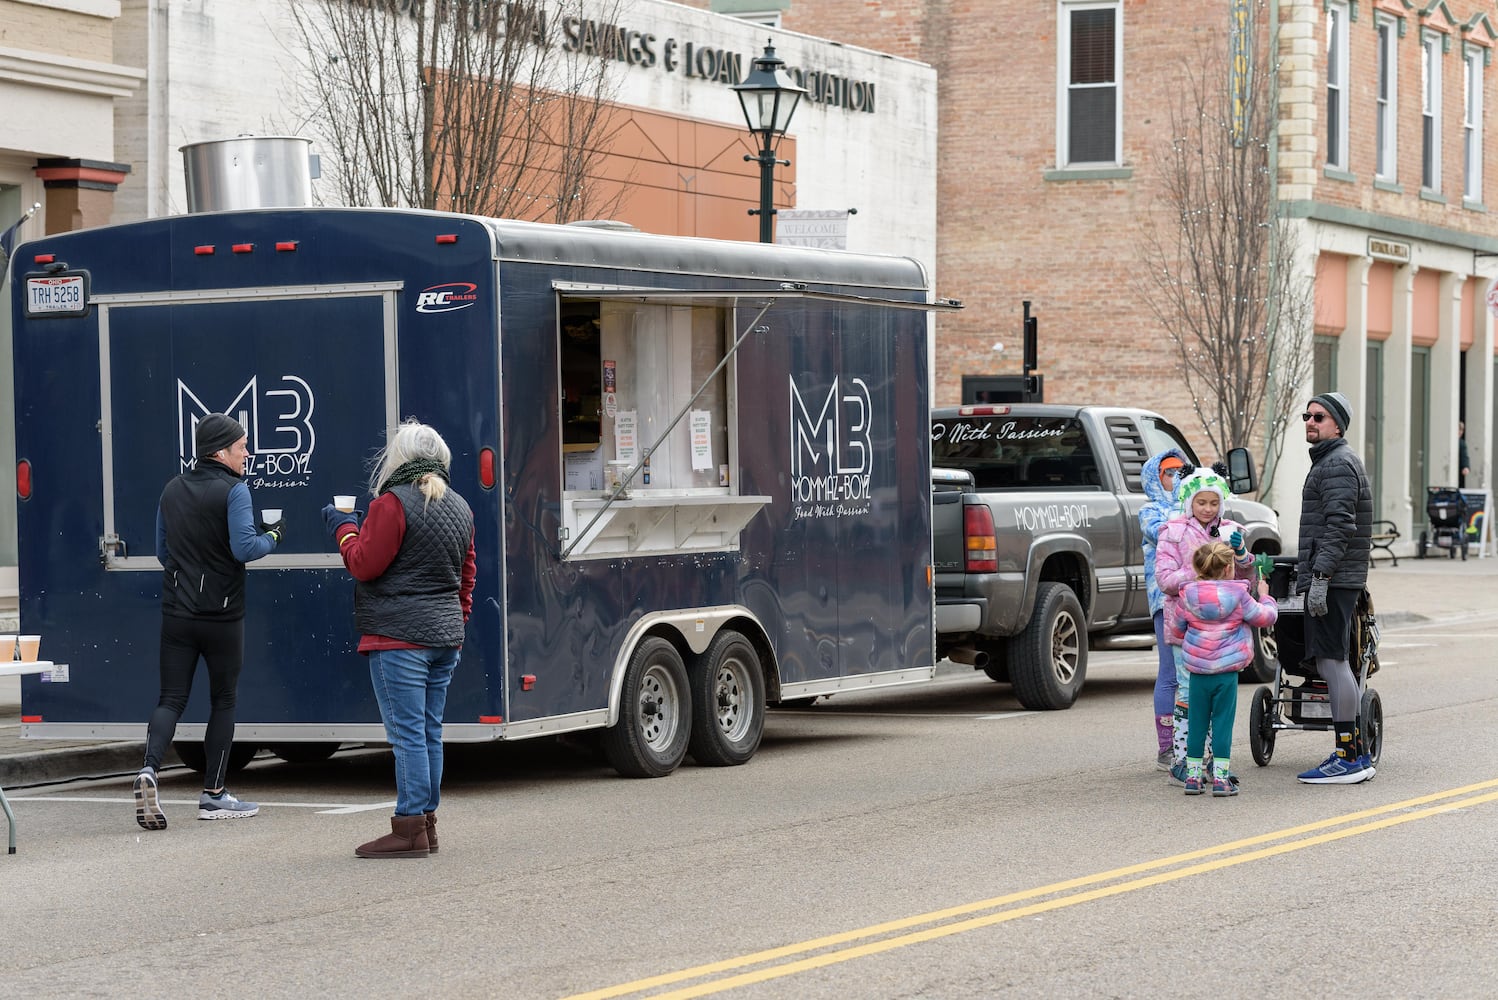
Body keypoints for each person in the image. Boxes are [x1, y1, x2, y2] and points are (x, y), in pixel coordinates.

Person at [324, 419, 475, 859]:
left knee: (407, 734)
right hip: (444, 637)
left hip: (398, 637)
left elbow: (364, 564)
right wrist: (456, 623)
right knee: (429, 731)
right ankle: (426, 822)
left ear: (400, 458)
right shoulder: (461, 507)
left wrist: (343, 528)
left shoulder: (392, 503)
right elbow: (467, 576)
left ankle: (409, 828)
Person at [133, 413, 283, 830]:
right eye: (242, 446)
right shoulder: (235, 491)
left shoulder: (171, 489)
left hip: (177, 613)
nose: (248, 453)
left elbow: (164, 553)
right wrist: (274, 535)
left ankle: (148, 770)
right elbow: (244, 549)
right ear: (221, 452)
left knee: (171, 699)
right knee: (223, 700)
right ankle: (214, 795)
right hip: (222, 615)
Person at [1155, 467, 1256, 786]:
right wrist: (1199, 571)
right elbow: (1164, 580)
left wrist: (1242, 555)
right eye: (1201, 502)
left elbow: (1247, 581)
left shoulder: (1230, 530)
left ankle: (1212, 761)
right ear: (1190, 502)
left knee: (1218, 699)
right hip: (1187, 627)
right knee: (1188, 694)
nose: (1208, 509)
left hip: (1226, 630)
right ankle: (1183, 759)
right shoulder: (1172, 532)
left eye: (1214, 502)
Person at [1295, 392, 1375, 784]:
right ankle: (1355, 754)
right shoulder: (1331, 462)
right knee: (1333, 661)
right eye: (1307, 415)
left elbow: (1340, 526)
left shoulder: (1338, 464)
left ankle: (1347, 757)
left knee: (1332, 661)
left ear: (1337, 425)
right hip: (1336, 577)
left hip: (1335, 579)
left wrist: (1321, 578)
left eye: (1319, 416)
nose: (1310, 421)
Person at [1169, 541, 1279, 796]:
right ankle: (1220, 779)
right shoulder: (1238, 595)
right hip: (1226, 672)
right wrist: (1266, 596)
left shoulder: (1187, 595)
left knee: (1196, 723)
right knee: (1221, 724)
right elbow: (1265, 617)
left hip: (1197, 671)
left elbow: (1176, 629)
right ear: (1229, 568)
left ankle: (1193, 779)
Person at [1139, 448, 1189, 770]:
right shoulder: (1150, 511)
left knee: (1194, 671)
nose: (1177, 477)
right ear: (1156, 478)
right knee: (1170, 673)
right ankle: (1166, 747)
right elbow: (1165, 535)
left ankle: (1191, 743)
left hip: (1199, 597)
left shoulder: (1193, 506)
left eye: (1181, 471)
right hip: (1165, 599)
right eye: (1170, 472)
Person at [1459, 420, 1470, 488]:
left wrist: (1466, 467)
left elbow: (1464, 456)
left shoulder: (1461, 443)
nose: (1460, 432)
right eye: (1459, 430)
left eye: (1462, 430)